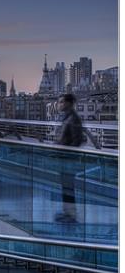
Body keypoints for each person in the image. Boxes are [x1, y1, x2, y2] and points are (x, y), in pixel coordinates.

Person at [54, 93, 83, 224]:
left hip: (68, 160)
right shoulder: (67, 117)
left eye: (61, 102)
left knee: (68, 189)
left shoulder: (73, 118)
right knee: (65, 188)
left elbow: (76, 141)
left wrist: (64, 151)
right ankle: (67, 213)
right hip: (63, 159)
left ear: (69, 103)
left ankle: (71, 216)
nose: (59, 104)